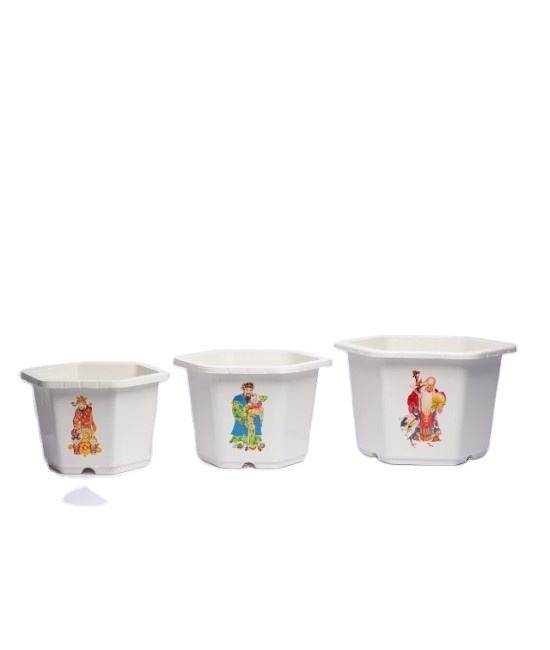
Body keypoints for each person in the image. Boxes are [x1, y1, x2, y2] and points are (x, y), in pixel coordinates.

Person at [229, 382, 268, 450]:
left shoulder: (254, 397)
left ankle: (256, 441)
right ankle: (240, 442)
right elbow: (238, 411)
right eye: (247, 390)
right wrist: (247, 406)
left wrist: (259, 408)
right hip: (242, 417)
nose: (248, 392)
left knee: (256, 421)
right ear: (243, 389)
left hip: (253, 416)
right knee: (242, 423)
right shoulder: (237, 398)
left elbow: (264, 398)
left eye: (250, 390)